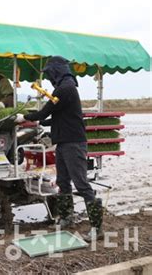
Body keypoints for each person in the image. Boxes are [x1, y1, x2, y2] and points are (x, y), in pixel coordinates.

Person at [14, 56, 103, 241]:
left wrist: (24, 117)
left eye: (50, 73)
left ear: (57, 71)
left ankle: (97, 228)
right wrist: (37, 121)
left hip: (74, 143)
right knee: (63, 182)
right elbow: (55, 117)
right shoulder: (64, 87)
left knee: (82, 184)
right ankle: (66, 218)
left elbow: (45, 111)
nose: (48, 78)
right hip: (63, 143)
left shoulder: (66, 89)